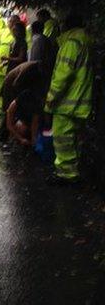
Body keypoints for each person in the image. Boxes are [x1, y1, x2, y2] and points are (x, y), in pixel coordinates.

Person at [45, 13, 94, 184]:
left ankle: (66, 175)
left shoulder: (71, 43)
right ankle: (73, 171)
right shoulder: (85, 41)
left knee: (63, 139)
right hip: (80, 101)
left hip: (66, 103)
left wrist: (51, 97)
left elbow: (62, 75)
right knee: (74, 139)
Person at [0, 61, 45, 143]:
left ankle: (12, 134)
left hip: (17, 85)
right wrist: (19, 99)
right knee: (10, 112)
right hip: (11, 85)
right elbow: (16, 84)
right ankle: (4, 135)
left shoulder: (35, 68)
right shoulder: (31, 70)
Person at [0, 15, 21, 114]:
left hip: (12, 66)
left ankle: (8, 108)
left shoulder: (19, 34)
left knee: (11, 88)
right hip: (1, 66)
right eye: (9, 22)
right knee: (0, 87)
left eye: (11, 22)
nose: (9, 24)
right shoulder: (2, 32)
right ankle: (0, 108)